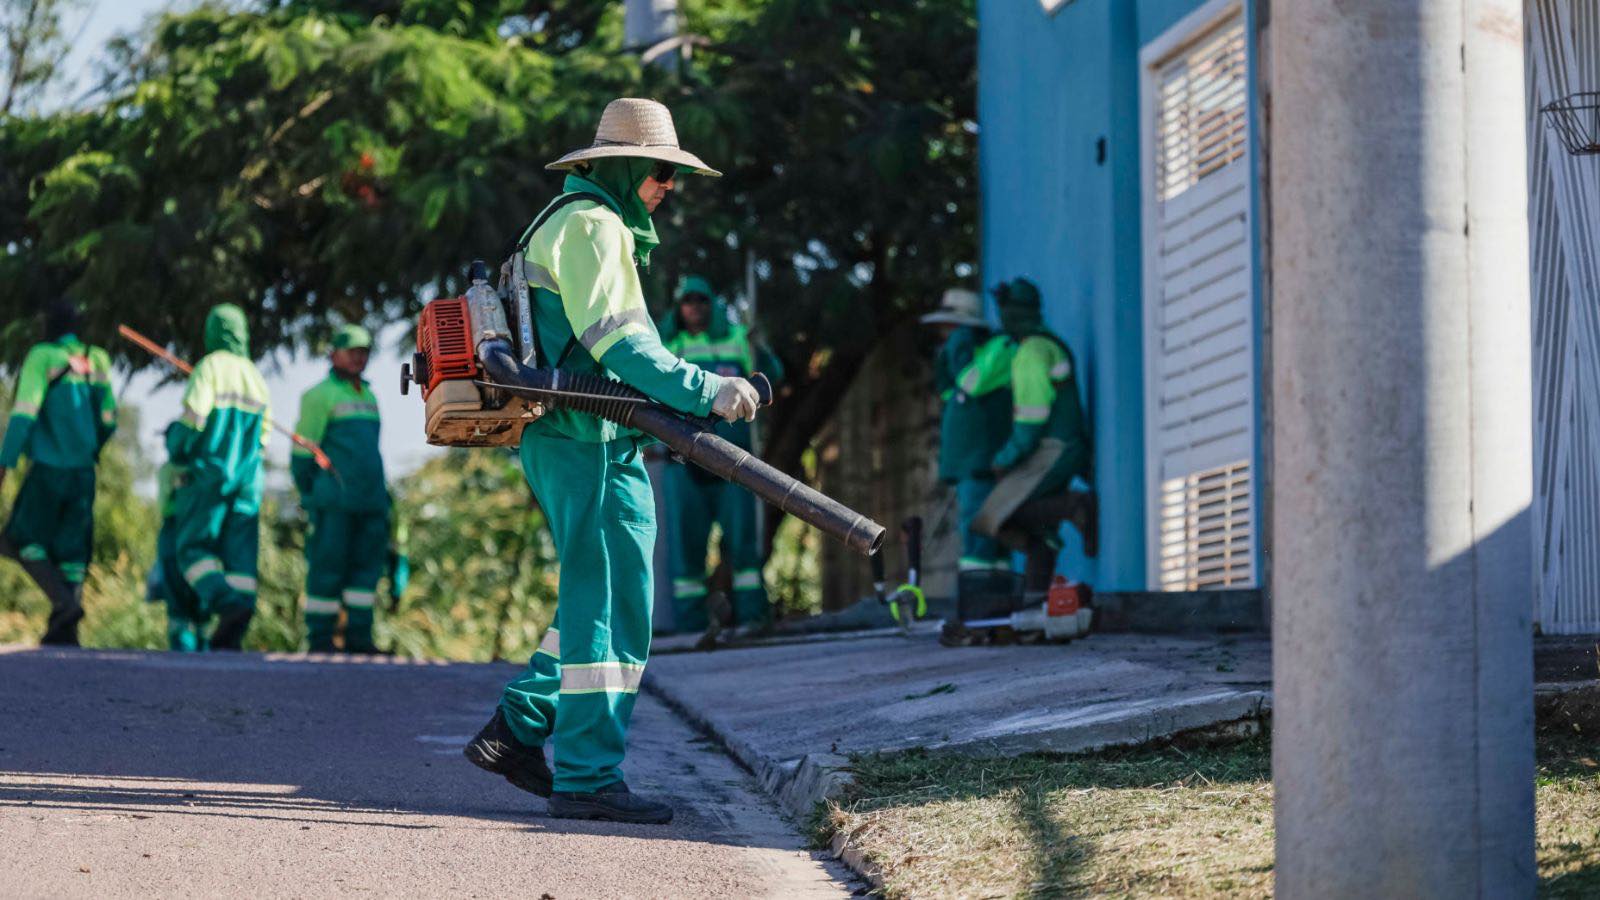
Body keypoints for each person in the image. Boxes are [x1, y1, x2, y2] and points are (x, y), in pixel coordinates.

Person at [463, 98, 759, 826]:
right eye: (662, 172)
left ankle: (518, 727)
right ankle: (589, 776)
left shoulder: (567, 220)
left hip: (583, 436)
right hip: (585, 439)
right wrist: (709, 390)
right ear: (625, 168)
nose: (669, 188)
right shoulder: (595, 226)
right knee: (608, 607)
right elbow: (621, 346)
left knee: (600, 597)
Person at [657, 275, 781, 634]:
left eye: (702, 299)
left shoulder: (738, 339)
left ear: (712, 303)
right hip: (684, 463)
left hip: (735, 462)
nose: (694, 306)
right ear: (679, 307)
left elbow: (772, 378)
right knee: (686, 548)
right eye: (688, 300)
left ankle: (752, 617)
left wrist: (761, 349)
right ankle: (692, 628)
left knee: (744, 544)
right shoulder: (667, 345)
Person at [0, 300, 117, 645]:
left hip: (49, 469)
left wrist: (5, 462)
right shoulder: (97, 360)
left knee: (18, 539)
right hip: (84, 471)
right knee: (73, 553)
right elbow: (109, 419)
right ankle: (65, 630)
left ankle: (64, 604)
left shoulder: (42, 357)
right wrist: (90, 447)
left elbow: (25, 414)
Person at [166, 304, 271, 651]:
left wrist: (175, 444)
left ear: (212, 331)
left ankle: (226, 605)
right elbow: (264, 439)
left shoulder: (209, 367)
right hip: (248, 480)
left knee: (192, 549)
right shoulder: (256, 377)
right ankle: (234, 632)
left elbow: (193, 420)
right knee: (240, 558)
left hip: (210, 474)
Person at [971, 278, 1091, 552]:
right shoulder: (1046, 342)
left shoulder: (1031, 353)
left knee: (995, 517)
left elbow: (1031, 423)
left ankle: (1075, 506)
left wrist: (1004, 460)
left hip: (1057, 448)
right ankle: (1040, 573)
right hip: (1064, 445)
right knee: (1035, 531)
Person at [292, 324, 389, 653]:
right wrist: (312, 492)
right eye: (352, 351)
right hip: (335, 501)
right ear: (333, 354)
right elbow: (302, 453)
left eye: (364, 352)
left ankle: (359, 639)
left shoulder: (370, 395)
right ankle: (320, 639)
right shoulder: (318, 396)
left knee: (366, 572)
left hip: (371, 500)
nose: (359, 357)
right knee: (327, 569)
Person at [921, 287, 1015, 575]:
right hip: (970, 467)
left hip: (981, 465)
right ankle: (987, 582)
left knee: (981, 527)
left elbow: (971, 383)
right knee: (979, 527)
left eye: (949, 328)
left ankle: (983, 583)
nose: (944, 335)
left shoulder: (991, 351)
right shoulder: (964, 357)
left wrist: (959, 342)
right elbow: (950, 391)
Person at [152, 425, 208, 651]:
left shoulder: (167, 470)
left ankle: (182, 649)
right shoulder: (205, 469)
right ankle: (204, 648)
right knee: (200, 594)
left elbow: (164, 506)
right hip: (201, 531)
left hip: (174, 532)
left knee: (176, 596)